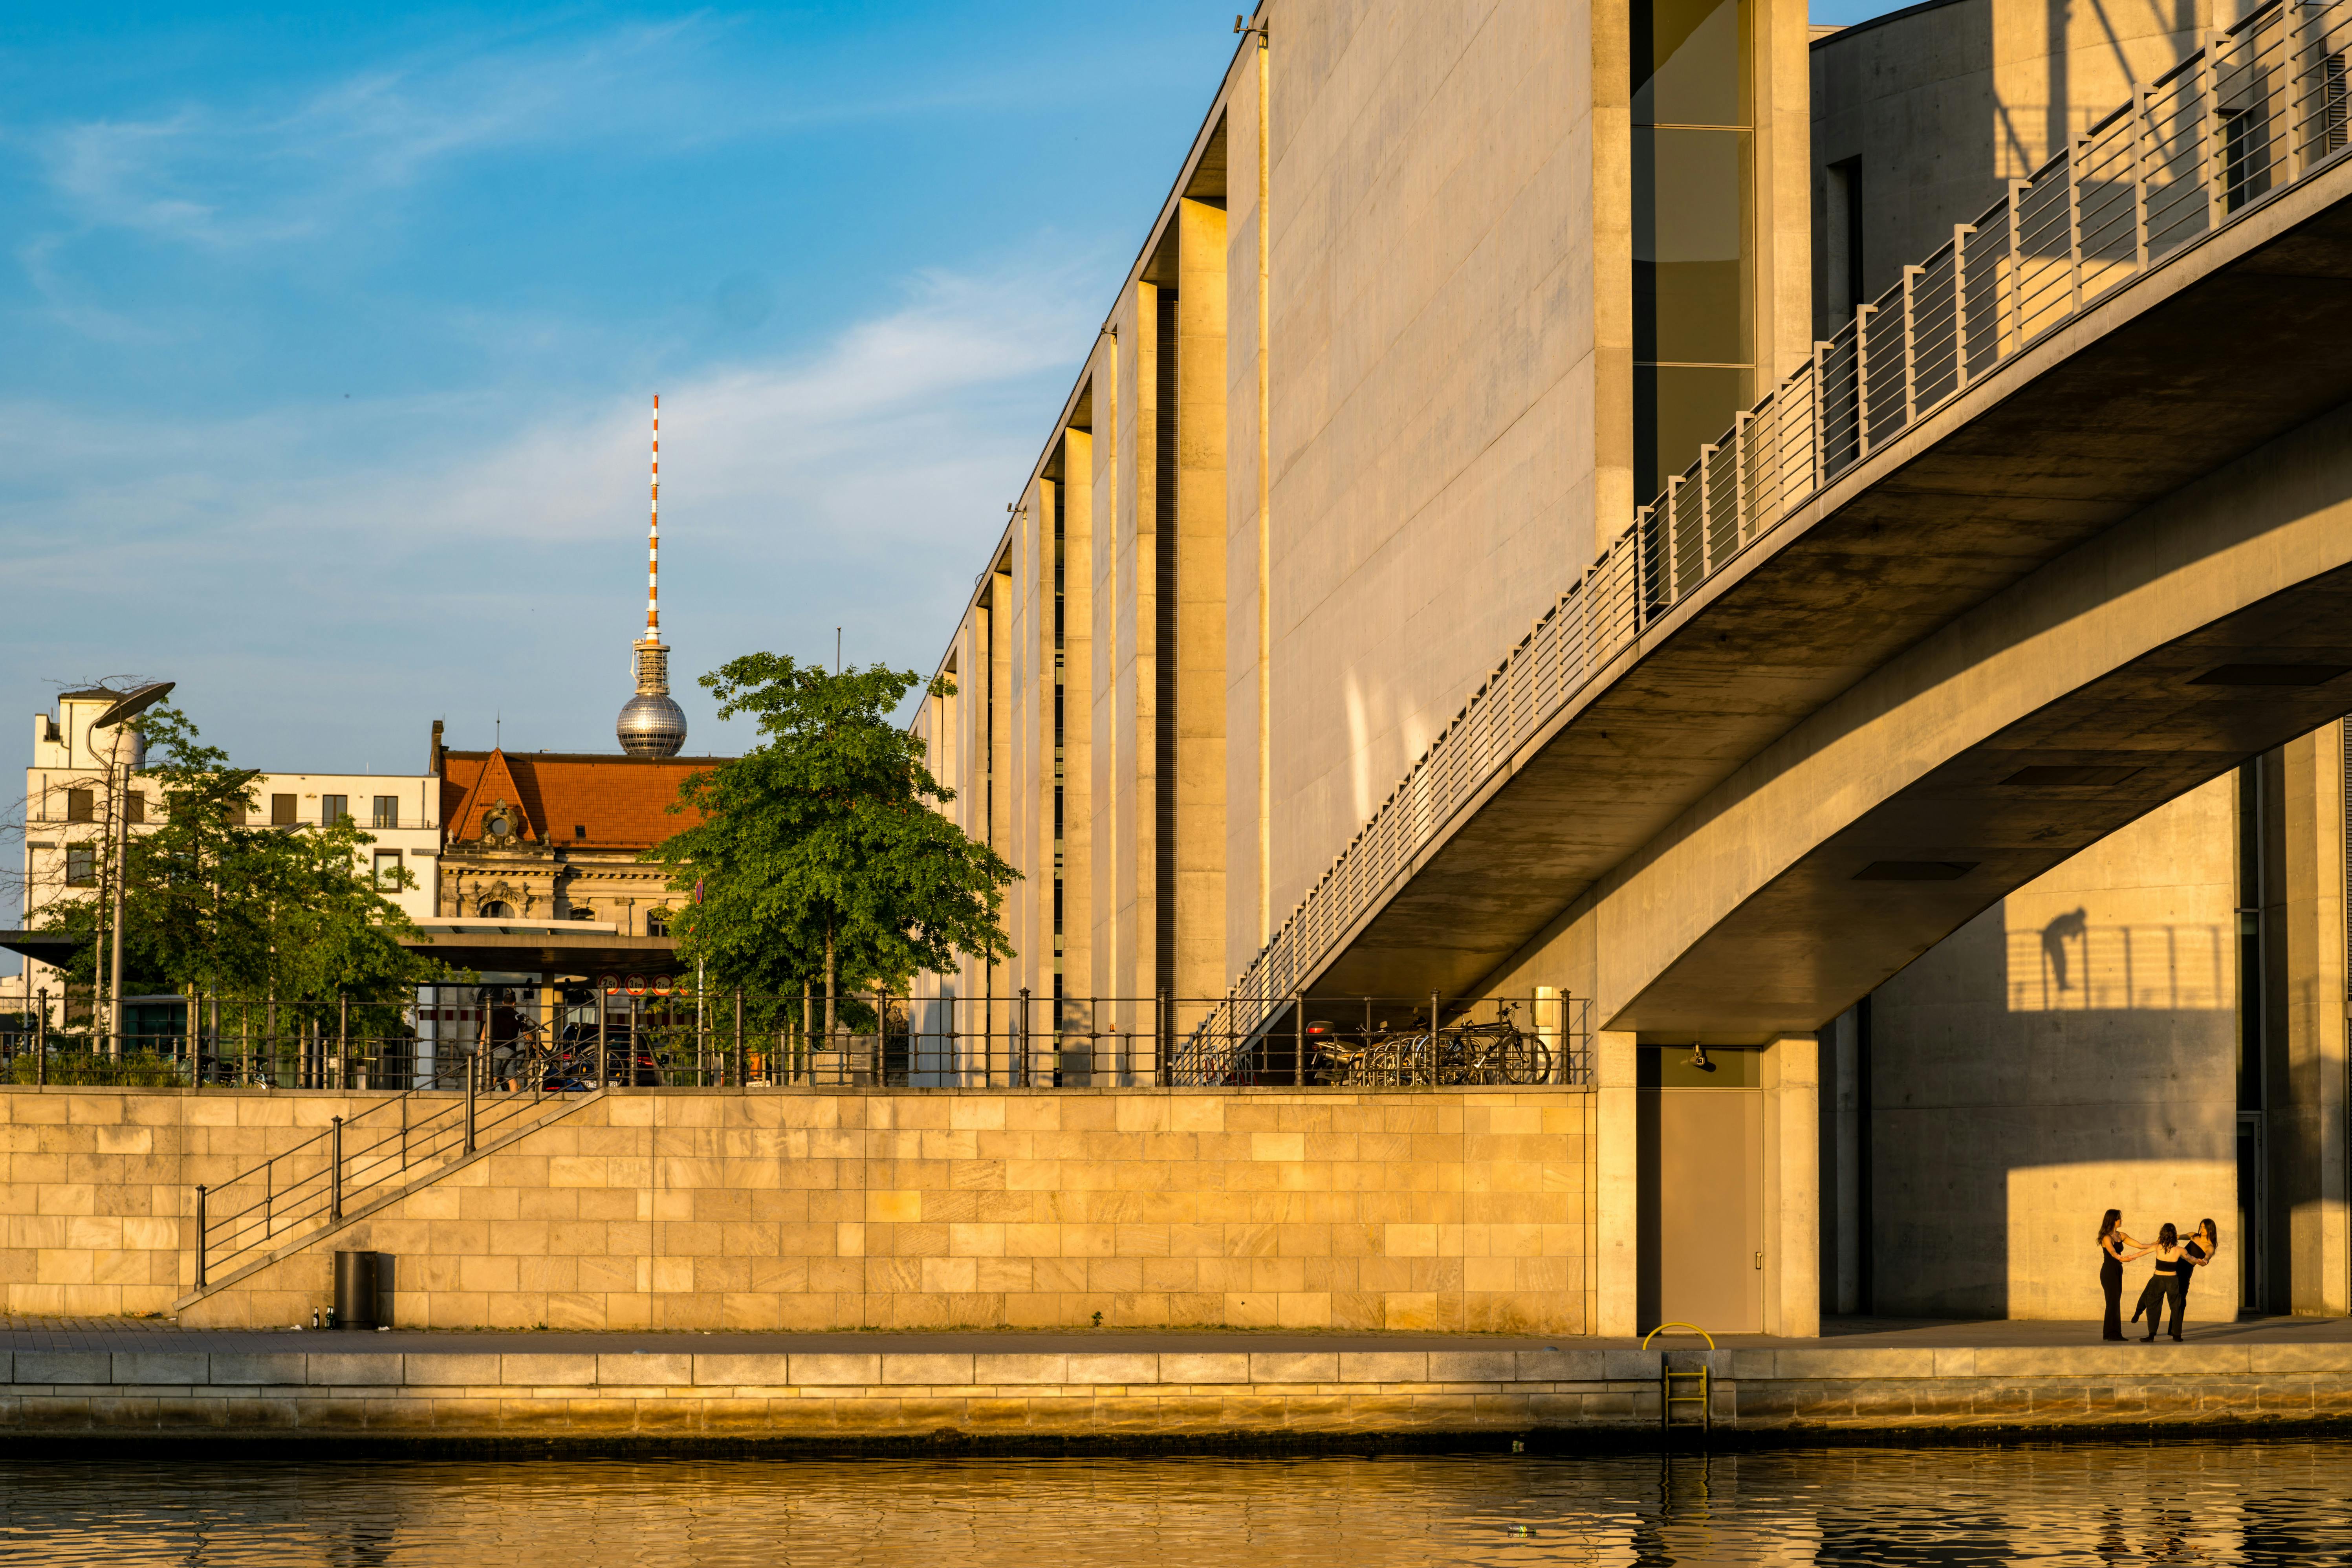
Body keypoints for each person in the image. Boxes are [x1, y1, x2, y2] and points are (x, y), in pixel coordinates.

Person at [2097, 1210, 2148, 1341]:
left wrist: (2157, 1244)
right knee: (2112, 1302)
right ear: (2113, 1220)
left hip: (2118, 1270)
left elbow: (2140, 1245)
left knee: (2114, 1301)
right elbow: (2113, 1252)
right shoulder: (2106, 1237)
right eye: (2119, 1219)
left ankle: (2109, 1334)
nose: (2121, 1221)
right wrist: (2121, 1258)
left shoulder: (2121, 1235)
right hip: (2109, 1271)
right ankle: (2114, 1334)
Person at [2168, 1219, 2222, 1341]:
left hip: (2186, 1271)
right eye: (2201, 1227)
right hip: (2174, 1265)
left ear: (2211, 1230)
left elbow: (2207, 1258)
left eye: (2204, 1228)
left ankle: (2176, 1332)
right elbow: (2176, 1237)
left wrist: (2205, 1262)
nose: (2201, 1230)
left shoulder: (2210, 1247)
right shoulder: (2193, 1235)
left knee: (2181, 1300)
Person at [2131, 1223, 2183, 1341]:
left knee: (2153, 1306)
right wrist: (2202, 1261)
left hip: (2158, 1279)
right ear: (2174, 1235)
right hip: (2172, 1281)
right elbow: (2191, 1259)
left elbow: (2140, 1254)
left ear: (2162, 1234)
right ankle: (2177, 1336)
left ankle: (2151, 1335)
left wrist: (2128, 1257)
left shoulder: (2157, 1247)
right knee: (2176, 1307)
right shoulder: (2180, 1250)